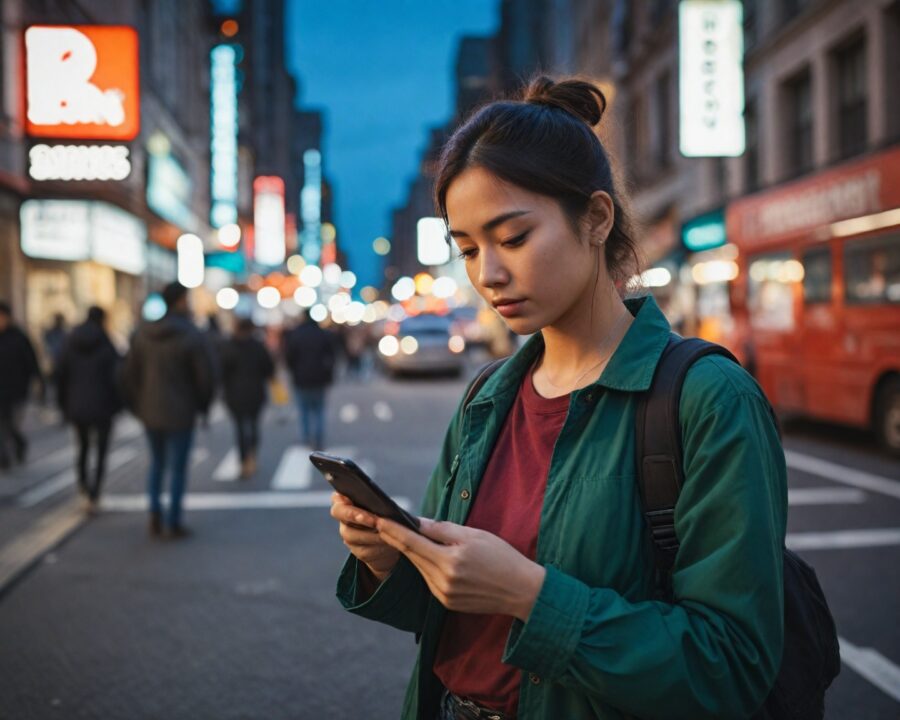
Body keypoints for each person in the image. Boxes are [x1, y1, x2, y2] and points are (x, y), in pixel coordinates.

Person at [330, 77, 787, 720]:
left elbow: (732, 666)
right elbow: (445, 614)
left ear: (596, 218)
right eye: (467, 249)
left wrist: (531, 595)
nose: (487, 272)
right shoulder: (488, 396)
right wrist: (389, 561)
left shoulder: (707, 399)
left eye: (512, 238)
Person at [121, 282, 215, 538]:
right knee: (177, 467)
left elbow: (129, 375)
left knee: (156, 463)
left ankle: (154, 512)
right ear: (181, 301)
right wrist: (203, 406)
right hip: (181, 412)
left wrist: (138, 405)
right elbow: (204, 377)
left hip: (150, 410)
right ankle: (173, 520)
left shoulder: (143, 332)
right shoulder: (190, 334)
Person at [55, 306, 122, 512]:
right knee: (101, 451)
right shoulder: (107, 343)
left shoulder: (70, 341)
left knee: (82, 447)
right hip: (103, 406)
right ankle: (95, 490)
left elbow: (61, 375)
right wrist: (118, 405)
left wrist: (63, 405)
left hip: (77, 404)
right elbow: (117, 377)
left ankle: (83, 483)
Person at [221, 317, 275, 478]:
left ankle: (244, 460)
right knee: (253, 426)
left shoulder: (227, 346)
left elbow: (221, 371)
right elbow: (268, 369)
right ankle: (252, 458)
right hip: (255, 393)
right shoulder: (257, 346)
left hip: (234, 394)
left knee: (239, 429)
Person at [283, 312, 337, 450]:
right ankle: (318, 439)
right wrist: (329, 375)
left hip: (301, 378)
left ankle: (306, 438)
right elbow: (332, 356)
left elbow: (289, 357)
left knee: (304, 411)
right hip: (319, 378)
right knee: (319, 410)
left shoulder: (296, 335)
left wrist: (293, 371)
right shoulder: (323, 334)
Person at [0, 302, 42, 469]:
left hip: (17, 390)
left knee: (11, 425)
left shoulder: (19, 337)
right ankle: (3, 458)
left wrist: (38, 383)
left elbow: (31, 362)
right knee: (2, 426)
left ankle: (19, 445)